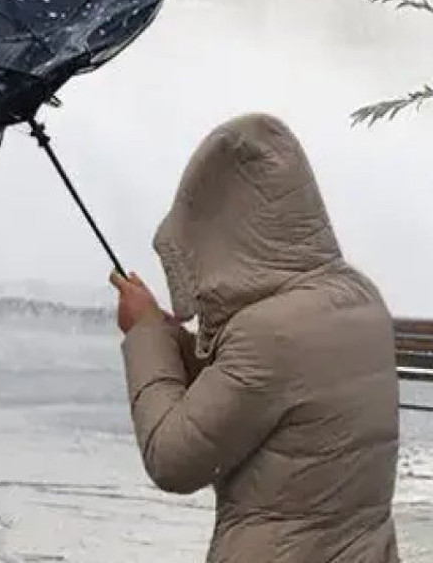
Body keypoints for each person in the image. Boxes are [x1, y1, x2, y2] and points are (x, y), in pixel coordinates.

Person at [109, 112, 400, 562]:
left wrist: (146, 335)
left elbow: (173, 460)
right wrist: (173, 340)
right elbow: (261, 397)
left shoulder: (270, 333)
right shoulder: (358, 297)